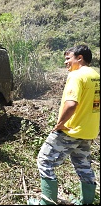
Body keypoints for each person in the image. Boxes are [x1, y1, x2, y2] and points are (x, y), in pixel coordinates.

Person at [28, 45, 100, 205]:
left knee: (44, 161)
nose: (65, 62)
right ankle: (87, 202)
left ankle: (47, 202)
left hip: (70, 129)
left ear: (79, 58)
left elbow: (71, 104)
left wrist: (59, 124)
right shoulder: (96, 75)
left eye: (68, 58)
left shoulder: (76, 75)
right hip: (88, 130)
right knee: (83, 165)